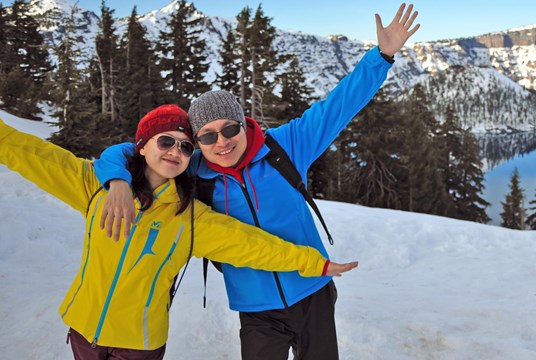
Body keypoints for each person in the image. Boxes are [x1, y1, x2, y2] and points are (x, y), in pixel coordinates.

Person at [95, 3, 420, 359]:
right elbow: (126, 152)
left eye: (230, 129)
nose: (222, 142)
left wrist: (383, 55)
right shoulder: (194, 169)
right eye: (207, 136)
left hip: (313, 291)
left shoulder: (286, 146)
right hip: (257, 308)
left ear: (242, 123)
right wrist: (118, 183)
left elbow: (339, 104)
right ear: (197, 142)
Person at [0, 105, 357, 360]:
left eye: (185, 147)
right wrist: (117, 180)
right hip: (83, 331)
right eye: (165, 142)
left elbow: (253, 246)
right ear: (142, 146)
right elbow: (29, 153)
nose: (176, 151)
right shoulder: (94, 186)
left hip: (137, 342)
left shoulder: (190, 218)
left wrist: (316, 263)